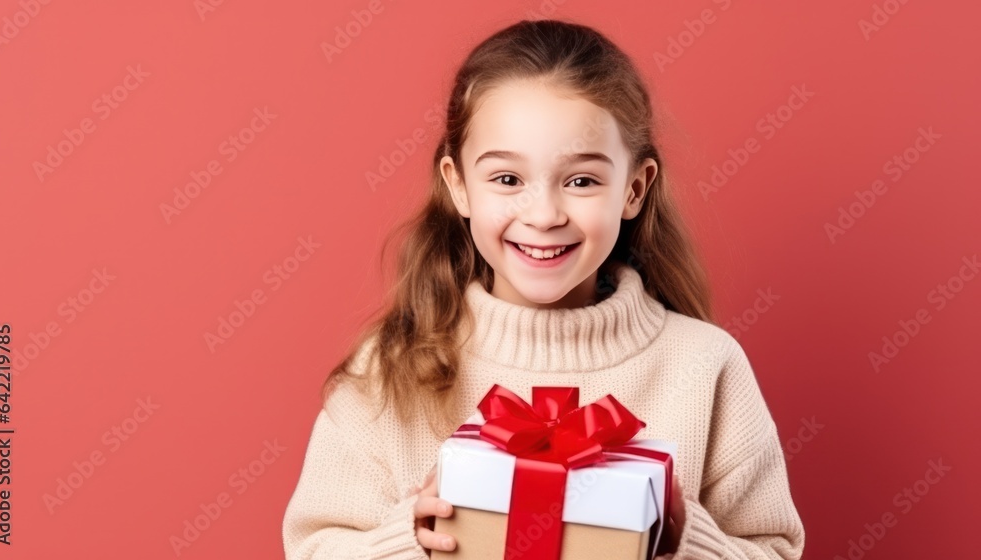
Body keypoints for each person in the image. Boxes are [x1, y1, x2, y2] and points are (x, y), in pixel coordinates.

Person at [282, 18, 805, 560]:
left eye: (581, 181)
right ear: (457, 184)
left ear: (634, 188)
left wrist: (685, 542)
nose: (544, 215)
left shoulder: (705, 366)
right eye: (507, 180)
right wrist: (405, 542)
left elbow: (775, 550)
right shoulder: (387, 368)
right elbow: (313, 548)